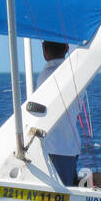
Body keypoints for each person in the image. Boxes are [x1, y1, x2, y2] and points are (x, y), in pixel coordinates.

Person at [34, 40, 82, 186]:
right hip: (70, 147)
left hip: (53, 148)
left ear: (44, 49)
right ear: (67, 48)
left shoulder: (46, 76)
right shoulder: (77, 73)